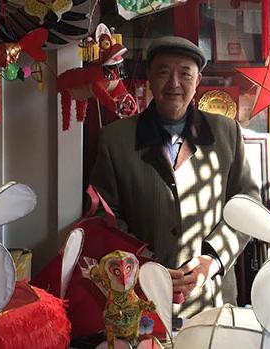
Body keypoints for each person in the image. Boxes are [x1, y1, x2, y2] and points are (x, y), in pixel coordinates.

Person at [89, 36, 260, 317]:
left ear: (198, 80)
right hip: (139, 297)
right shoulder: (116, 139)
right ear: (150, 79)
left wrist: (212, 259)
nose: (174, 84)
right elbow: (105, 216)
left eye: (185, 73)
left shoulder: (226, 133)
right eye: (164, 72)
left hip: (210, 300)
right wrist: (143, 265)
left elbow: (248, 206)